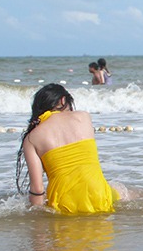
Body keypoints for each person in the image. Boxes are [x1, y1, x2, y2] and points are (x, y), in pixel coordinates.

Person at [15, 84, 120, 215]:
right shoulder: (84, 117)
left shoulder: (31, 138)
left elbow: (37, 190)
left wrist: (36, 219)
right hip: (100, 196)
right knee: (122, 191)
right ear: (63, 100)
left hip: (63, 204)